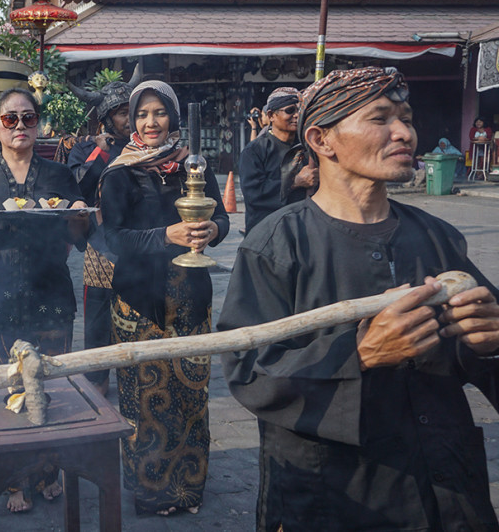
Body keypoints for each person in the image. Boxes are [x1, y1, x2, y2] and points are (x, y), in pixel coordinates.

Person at [218, 67, 499, 532]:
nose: (404, 132)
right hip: (336, 495)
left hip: (446, 487)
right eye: (380, 118)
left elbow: (477, 352)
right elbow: (249, 371)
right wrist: (360, 355)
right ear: (322, 140)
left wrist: (488, 343)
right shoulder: (277, 245)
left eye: (406, 118)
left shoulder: (438, 237)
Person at [0, 88, 88, 513]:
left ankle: (47, 470)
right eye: (10, 119)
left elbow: (80, 237)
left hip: (48, 292)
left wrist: (79, 216)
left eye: (28, 118)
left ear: (38, 124)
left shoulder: (59, 175)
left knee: (50, 385)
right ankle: (11, 479)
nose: (20, 126)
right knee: (2, 385)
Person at [97, 80, 228, 516]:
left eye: (159, 112)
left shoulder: (193, 164)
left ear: (172, 116)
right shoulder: (120, 171)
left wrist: (213, 230)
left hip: (191, 297)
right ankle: (151, 492)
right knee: (144, 400)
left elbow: (222, 217)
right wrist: (165, 236)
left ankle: (188, 489)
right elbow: (112, 238)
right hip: (139, 302)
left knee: (190, 396)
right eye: (142, 114)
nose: (150, 122)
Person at [66, 64, 144, 393]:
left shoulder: (146, 147)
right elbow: (76, 189)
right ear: (107, 118)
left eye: (132, 111)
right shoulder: (85, 148)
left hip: (140, 245)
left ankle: (138, 374)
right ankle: (97, 379)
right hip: (100, 247)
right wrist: (101, 152)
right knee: (97, 317)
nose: (130, 119)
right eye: (123, 113)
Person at [239, 86, 317, 233]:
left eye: (300, 110)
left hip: (302, 229)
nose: (296, 115)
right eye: (290, 110)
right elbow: (254, 194)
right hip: (267, 231)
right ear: (271, 115)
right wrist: (295, 182)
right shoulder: (254, 151)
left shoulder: (309, 148)